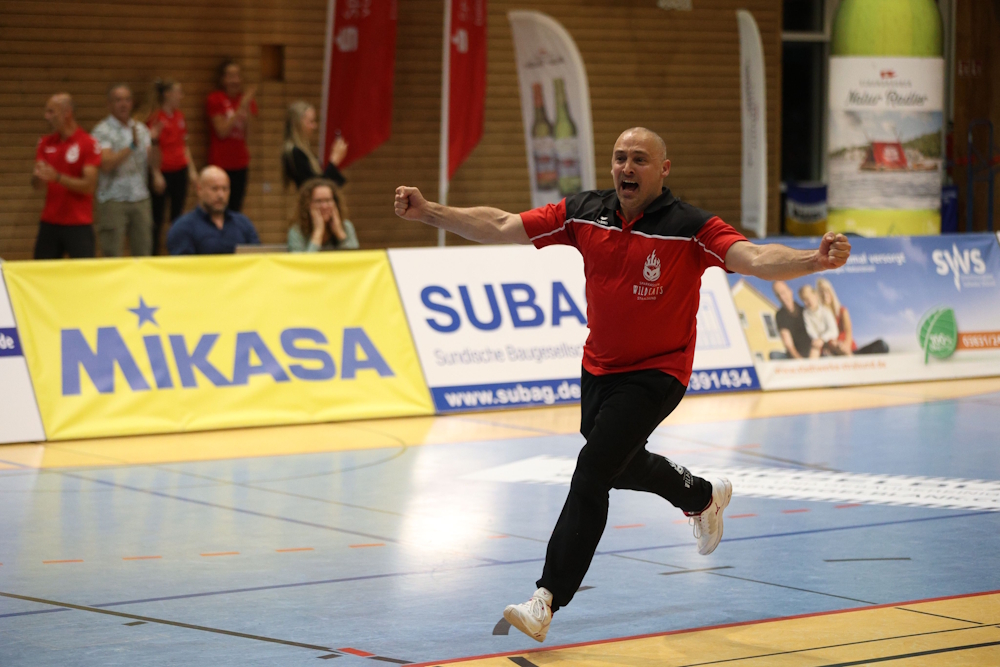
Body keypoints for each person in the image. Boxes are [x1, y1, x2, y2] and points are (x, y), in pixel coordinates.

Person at [394, 127, 851, 643]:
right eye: (619, 158)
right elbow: (503, 224)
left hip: (658, 372)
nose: (626, 167)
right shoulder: (585, 211)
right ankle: (702, 496)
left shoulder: (691, 227)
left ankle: (546, 599)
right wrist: (430, 211)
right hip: (599, 369)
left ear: (663, 169)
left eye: (639, 159)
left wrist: (814, 262)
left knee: (591, 473)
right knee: (617, 460)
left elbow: (753, 258)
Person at [31, 93, 102, 259]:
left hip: (79, 224)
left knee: (83, 276)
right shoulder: (45, 143)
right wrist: (39, 176)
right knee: (42, 273)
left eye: (51, 112)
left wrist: (57, 178)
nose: (46, 117)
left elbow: (89, 185)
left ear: (67, 113)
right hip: (50, 222)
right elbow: (37, 185)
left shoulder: (88, 143)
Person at [91, 83, 157, 257]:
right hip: (113, 199)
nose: (124, 104)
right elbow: (105, 164)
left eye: (127, 100)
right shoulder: (101, 131)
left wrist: (156, 142)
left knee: (143, 253)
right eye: (118, 100)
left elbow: (153, 162)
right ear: (109, 104)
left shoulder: (141, 129)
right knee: (112, 254)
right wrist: (132, 146)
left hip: (140, 197)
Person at [148, 79, 198, 255]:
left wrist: (192, 170)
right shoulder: (156, 118)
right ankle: (154, 255)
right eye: (178, 92)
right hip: (163, 171)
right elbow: (151, 148)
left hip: (180, 171)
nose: (181, 96)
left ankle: (176, 253)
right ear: (167, 94)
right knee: (157, 218)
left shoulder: (179, 116)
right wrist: (155, 173)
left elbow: (184, 146)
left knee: (178, 216)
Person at [167, 166, 260, 255]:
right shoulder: (183, 227)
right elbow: (182, 267)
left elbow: (258, 260)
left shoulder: (243, 223)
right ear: (199, 190)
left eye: (225, 189)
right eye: (214, 189)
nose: (221, 195)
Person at [206, 59, 257, 212]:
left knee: (235, 209)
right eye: (230, 76)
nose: (235, 80)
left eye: (237, 76)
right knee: (217, 208)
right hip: (220, 163)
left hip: (240, 162)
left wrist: (246, 109)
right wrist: (240, 109)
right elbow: (222, 132)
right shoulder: (215, 99)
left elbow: (249, 134)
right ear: (223, 79)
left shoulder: (247, 101)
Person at [282, 101, 349, 189]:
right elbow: (314, 188)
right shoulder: (295, 152)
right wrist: (334, 160)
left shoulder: (304, 150)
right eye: (311, 122)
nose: (315, 126)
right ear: (298, 124)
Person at [288, 178, 359, 252]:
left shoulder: (346, 226)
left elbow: (356, 260)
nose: (324, 206)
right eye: (318, 201)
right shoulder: (297, 231)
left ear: (335, 203)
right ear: (307, 204)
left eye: (328, 200)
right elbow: (302, 263)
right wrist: (318, 233)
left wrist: (340, 233)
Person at [772, 280, 813, 359]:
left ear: (790, 291)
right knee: (774, 355)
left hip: (812, 353)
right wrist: (799, 360)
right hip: (794, 357)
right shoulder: (780, 315)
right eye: (778, 295)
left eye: (783, 292)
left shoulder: (805, 310)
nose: (782, 297)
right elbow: (788, 344)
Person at [816, 277, 855, 355]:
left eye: (826, 291)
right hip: (829, 349)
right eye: (821, 292)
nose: (824, 295)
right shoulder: (819, 316)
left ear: (831, 292)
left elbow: (848, 333)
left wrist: (845, 346)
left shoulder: (842, 311)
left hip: (845, 348)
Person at [800, 283, 840, 357]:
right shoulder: (806, 313)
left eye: (807, 299)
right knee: (814, 349)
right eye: (803, 300)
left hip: (829, 340)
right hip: (818, 343)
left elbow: (833, 330)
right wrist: (818, 340)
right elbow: (810, 330)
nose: (805, 303)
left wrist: (822, 339)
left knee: (837, 345)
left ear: (815, 295)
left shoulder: (825, 310)